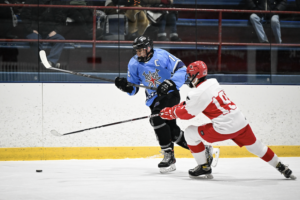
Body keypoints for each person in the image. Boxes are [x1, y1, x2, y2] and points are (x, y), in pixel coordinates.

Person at [159, 60, 297, 180]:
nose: (189, 78)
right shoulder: (212, 83)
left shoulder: (197, 93)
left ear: (197, 75)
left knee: (189, 133)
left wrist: (169, 112)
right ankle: (281, 166)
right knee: (256, 146)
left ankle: (204, 166)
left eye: (190, 75)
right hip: (240, 121)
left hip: (225, 127)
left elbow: (187, 114)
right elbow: (194, 103)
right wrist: (181, 106)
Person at [114, 36, 191, 173]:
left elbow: (182, 69)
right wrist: (125, 87)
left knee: (156, 117)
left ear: (149, 48)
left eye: (141, 50)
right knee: (172, 133)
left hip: (170, 94)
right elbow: (134, 89)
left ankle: (168, 154)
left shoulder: (162, 55)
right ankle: (203, 149)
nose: (138, 53)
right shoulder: (133, 63)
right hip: (153, 100)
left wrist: (170, 83)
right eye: (136, 50)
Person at [21, 0, 66, 68]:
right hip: (34, 32)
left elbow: (61, 18)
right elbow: (24, 16)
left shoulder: (56, 2)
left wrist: (56, 30)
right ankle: (43, 61)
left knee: (60, 39)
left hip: (50, 33)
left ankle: (50, 61)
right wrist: (31, 30)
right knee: (34, 39)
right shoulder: (31, 1)